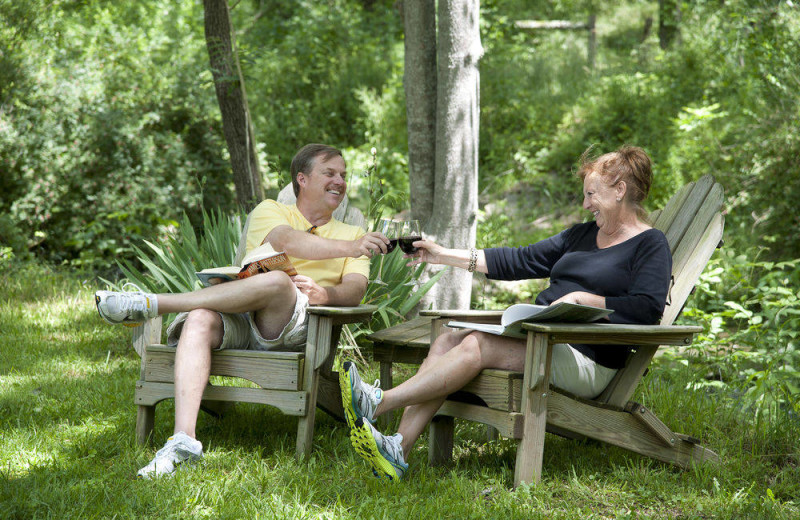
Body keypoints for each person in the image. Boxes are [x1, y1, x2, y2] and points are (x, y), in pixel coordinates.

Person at [339, 145, 672, 480]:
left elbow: (646, 309)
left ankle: (380, 402)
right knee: (447, 342)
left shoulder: (650, 245)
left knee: (476, 345)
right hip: (543, 338)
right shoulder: (582, 235)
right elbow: (519, 259)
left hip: (587, 357)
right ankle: (398, 448)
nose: (585, 204)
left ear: (620, 191)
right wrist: (441, 255)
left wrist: (585, 300)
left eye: (591, 194)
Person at [95, 143, 390, 479]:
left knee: (280, 282)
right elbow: (286, 242)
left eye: (343, 175)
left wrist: (326, 293)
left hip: (294, 325)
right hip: (239, 313)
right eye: (330, 173)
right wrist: (351, 248)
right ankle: (183, 441)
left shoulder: (354, 232)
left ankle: (154, 304)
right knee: (200, 318)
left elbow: (356, 288)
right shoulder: (271, 210)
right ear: (302, 179)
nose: (340, 181)